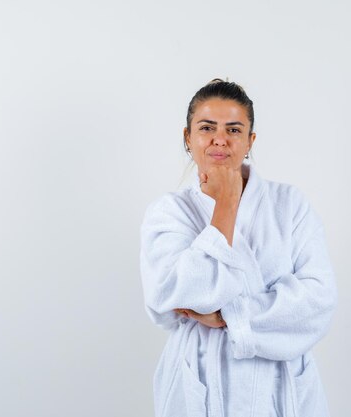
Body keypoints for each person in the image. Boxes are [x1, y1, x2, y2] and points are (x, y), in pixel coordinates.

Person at [139, 79, 338, 417]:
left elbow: (318, 301)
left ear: (250, 141)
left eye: (234, 129)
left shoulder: (289, 205)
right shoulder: (169, 213)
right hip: (201, 381)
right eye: (206, 127)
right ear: (188, 137)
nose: (220, 138)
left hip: (281, 385)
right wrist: (227, 203)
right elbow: (172, 295)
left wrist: (230, 316)